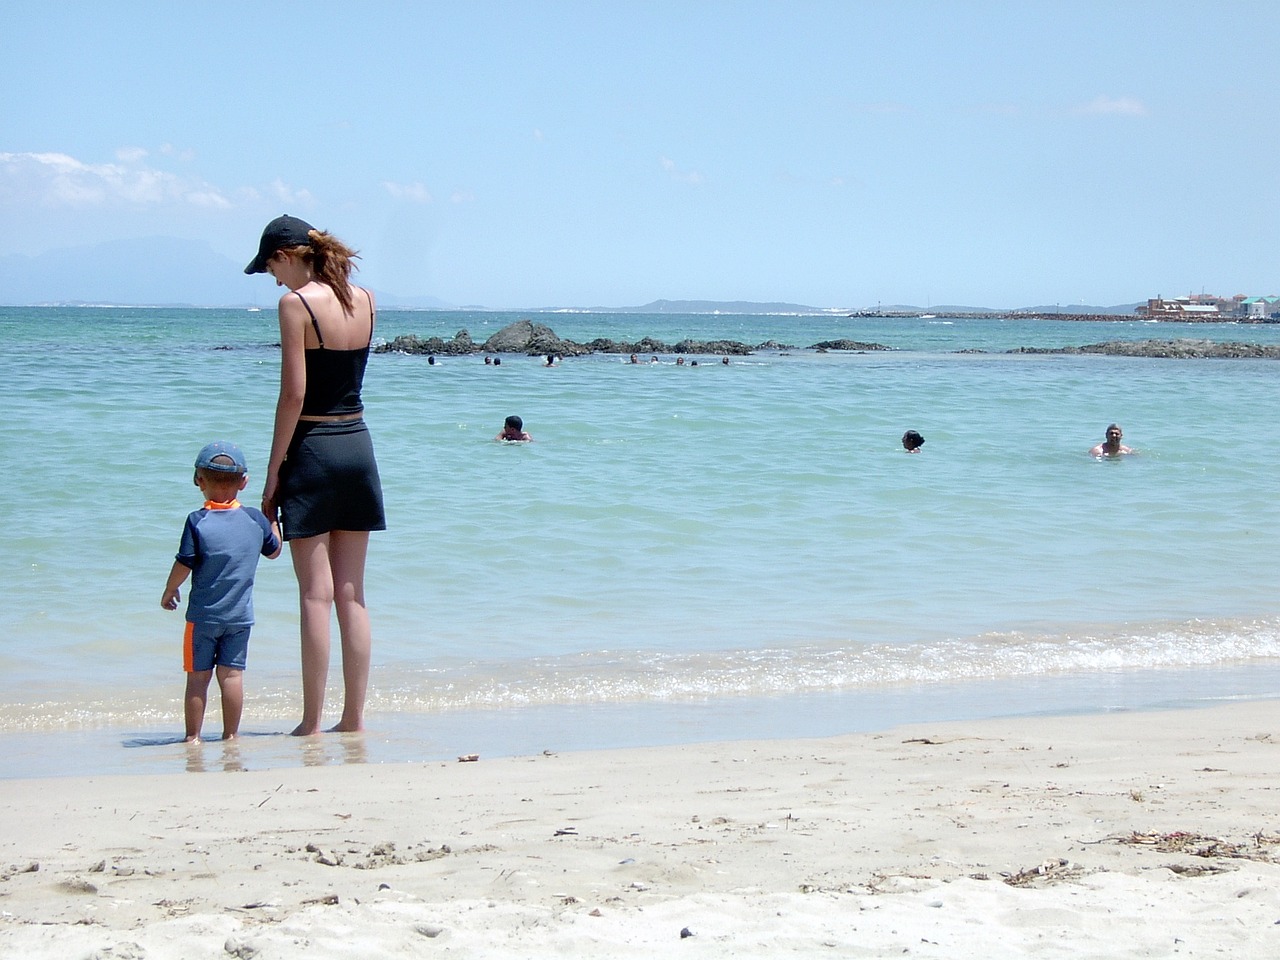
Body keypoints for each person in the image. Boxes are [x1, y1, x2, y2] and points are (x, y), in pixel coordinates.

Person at [245, 214, 387, 736]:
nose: (274, 280)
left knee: (314, 594)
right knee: (353, 594)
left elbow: (293, 395)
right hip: (358, 445)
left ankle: (310, 721)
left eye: (271, 268)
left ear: (287, 256)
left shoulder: (295, 305)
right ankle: (353, 719)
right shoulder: (366, 299)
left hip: (313, 447)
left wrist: (272, 473)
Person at [161, 441, 281, 743]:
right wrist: (273, 520)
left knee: (198, 679)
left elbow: (185, 562)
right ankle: (230, 735)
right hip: (240, 618)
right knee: (232, 676)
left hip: (202, 618)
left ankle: (193, 737)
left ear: (198, 481)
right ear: (244, 482)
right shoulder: (254, 520)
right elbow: (274, 551)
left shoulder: (197, 521)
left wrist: (170, 588)